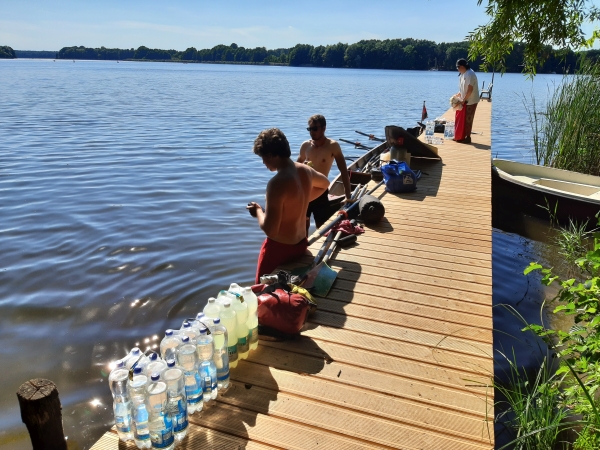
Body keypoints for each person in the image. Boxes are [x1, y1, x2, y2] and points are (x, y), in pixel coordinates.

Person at [247, 128, 330, 284]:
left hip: (279, 250)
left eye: (263, 158)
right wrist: (303, 200)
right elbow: (325, 184)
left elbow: (271, 231)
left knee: (261, 291)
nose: (263, 162)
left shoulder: (277, 183)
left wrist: (258, 211)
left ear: (271, 155)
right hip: (300, 246)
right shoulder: (305, 170)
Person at [297, 115, 352, 235]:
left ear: (323, 128)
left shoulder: (333, 146)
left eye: (315, 129)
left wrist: (348, 196)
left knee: (322, 228)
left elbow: (343, 171)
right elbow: (295, 169)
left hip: (321, 193)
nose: (312, 132)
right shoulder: (305, 146)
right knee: (302, 227)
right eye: (310, 129)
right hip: (305, 192)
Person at [454, 58, 479, 144]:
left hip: (471, 100)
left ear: (462, 66)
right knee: (462, 119)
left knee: (468, 119)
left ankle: (468, 137)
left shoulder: (470, 74)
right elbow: (462, 88)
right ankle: (460, 136)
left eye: (458, 67)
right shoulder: (462, 74)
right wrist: (459, 95)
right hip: (464, 99)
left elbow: (470, 89)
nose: (457, 69)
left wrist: (464, 100)